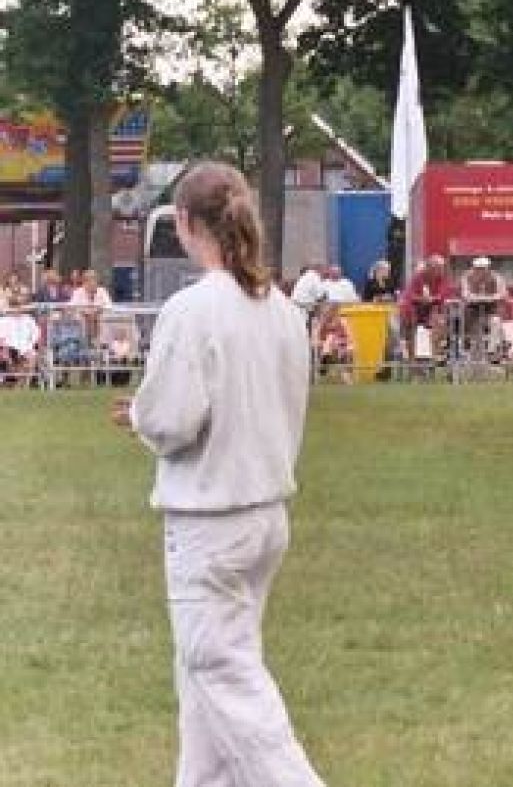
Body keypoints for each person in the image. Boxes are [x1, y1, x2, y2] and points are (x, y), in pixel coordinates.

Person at [108, 161, 327, 787]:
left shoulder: (192, 309)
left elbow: (174, 421)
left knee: (226, 679)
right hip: (264, 515)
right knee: (203, 680)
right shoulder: (283, 311)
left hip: (210, 521)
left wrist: (144, 418)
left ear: (183, 222)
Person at [460, 256, 506, 361]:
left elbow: (502, 293)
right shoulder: (466, 277)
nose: (481, 271)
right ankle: (466, 348)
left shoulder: (496, 277)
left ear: (488, 268)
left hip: (491, 308)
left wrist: (485, 298)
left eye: (483, 268)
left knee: (496, 322)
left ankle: (492, 351)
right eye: (478, 268)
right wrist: (483, 298)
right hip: (472, 309)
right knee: (465, 320)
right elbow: (466, 294)